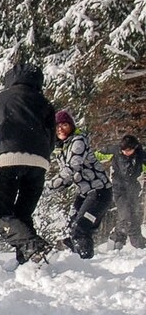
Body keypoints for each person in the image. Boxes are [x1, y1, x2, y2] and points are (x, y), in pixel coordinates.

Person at [0, 62, 56, 263]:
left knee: (1, 215)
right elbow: (52, 138)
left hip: (7, 160)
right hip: (39, 162)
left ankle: (33, 246)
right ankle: (29, 262)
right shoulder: (45, 103)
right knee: (23, 214)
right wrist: (42, 154)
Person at [48, 109, 112, 259]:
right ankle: (75, 258)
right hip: (84, 193)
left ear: (71, 125)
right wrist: (57, 186)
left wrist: (51, 185)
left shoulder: (78, 141)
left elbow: (73, 166)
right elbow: (70, 176)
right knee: (70, 228)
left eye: (64, 125)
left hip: (99, 192)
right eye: (57, 127)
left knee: (80, 228)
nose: (60, 129)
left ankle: (85, 262)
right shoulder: (62, 148)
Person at [107, 134, 146, 249]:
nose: (126, 152)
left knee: (132, 216)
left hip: (134, 191)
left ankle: (117, 236)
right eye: (124, 150)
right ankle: (140, 246)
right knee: (129, 218)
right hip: (118, 190)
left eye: (129, 150)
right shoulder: (114, 151)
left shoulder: (141, 156)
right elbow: (95, 156)